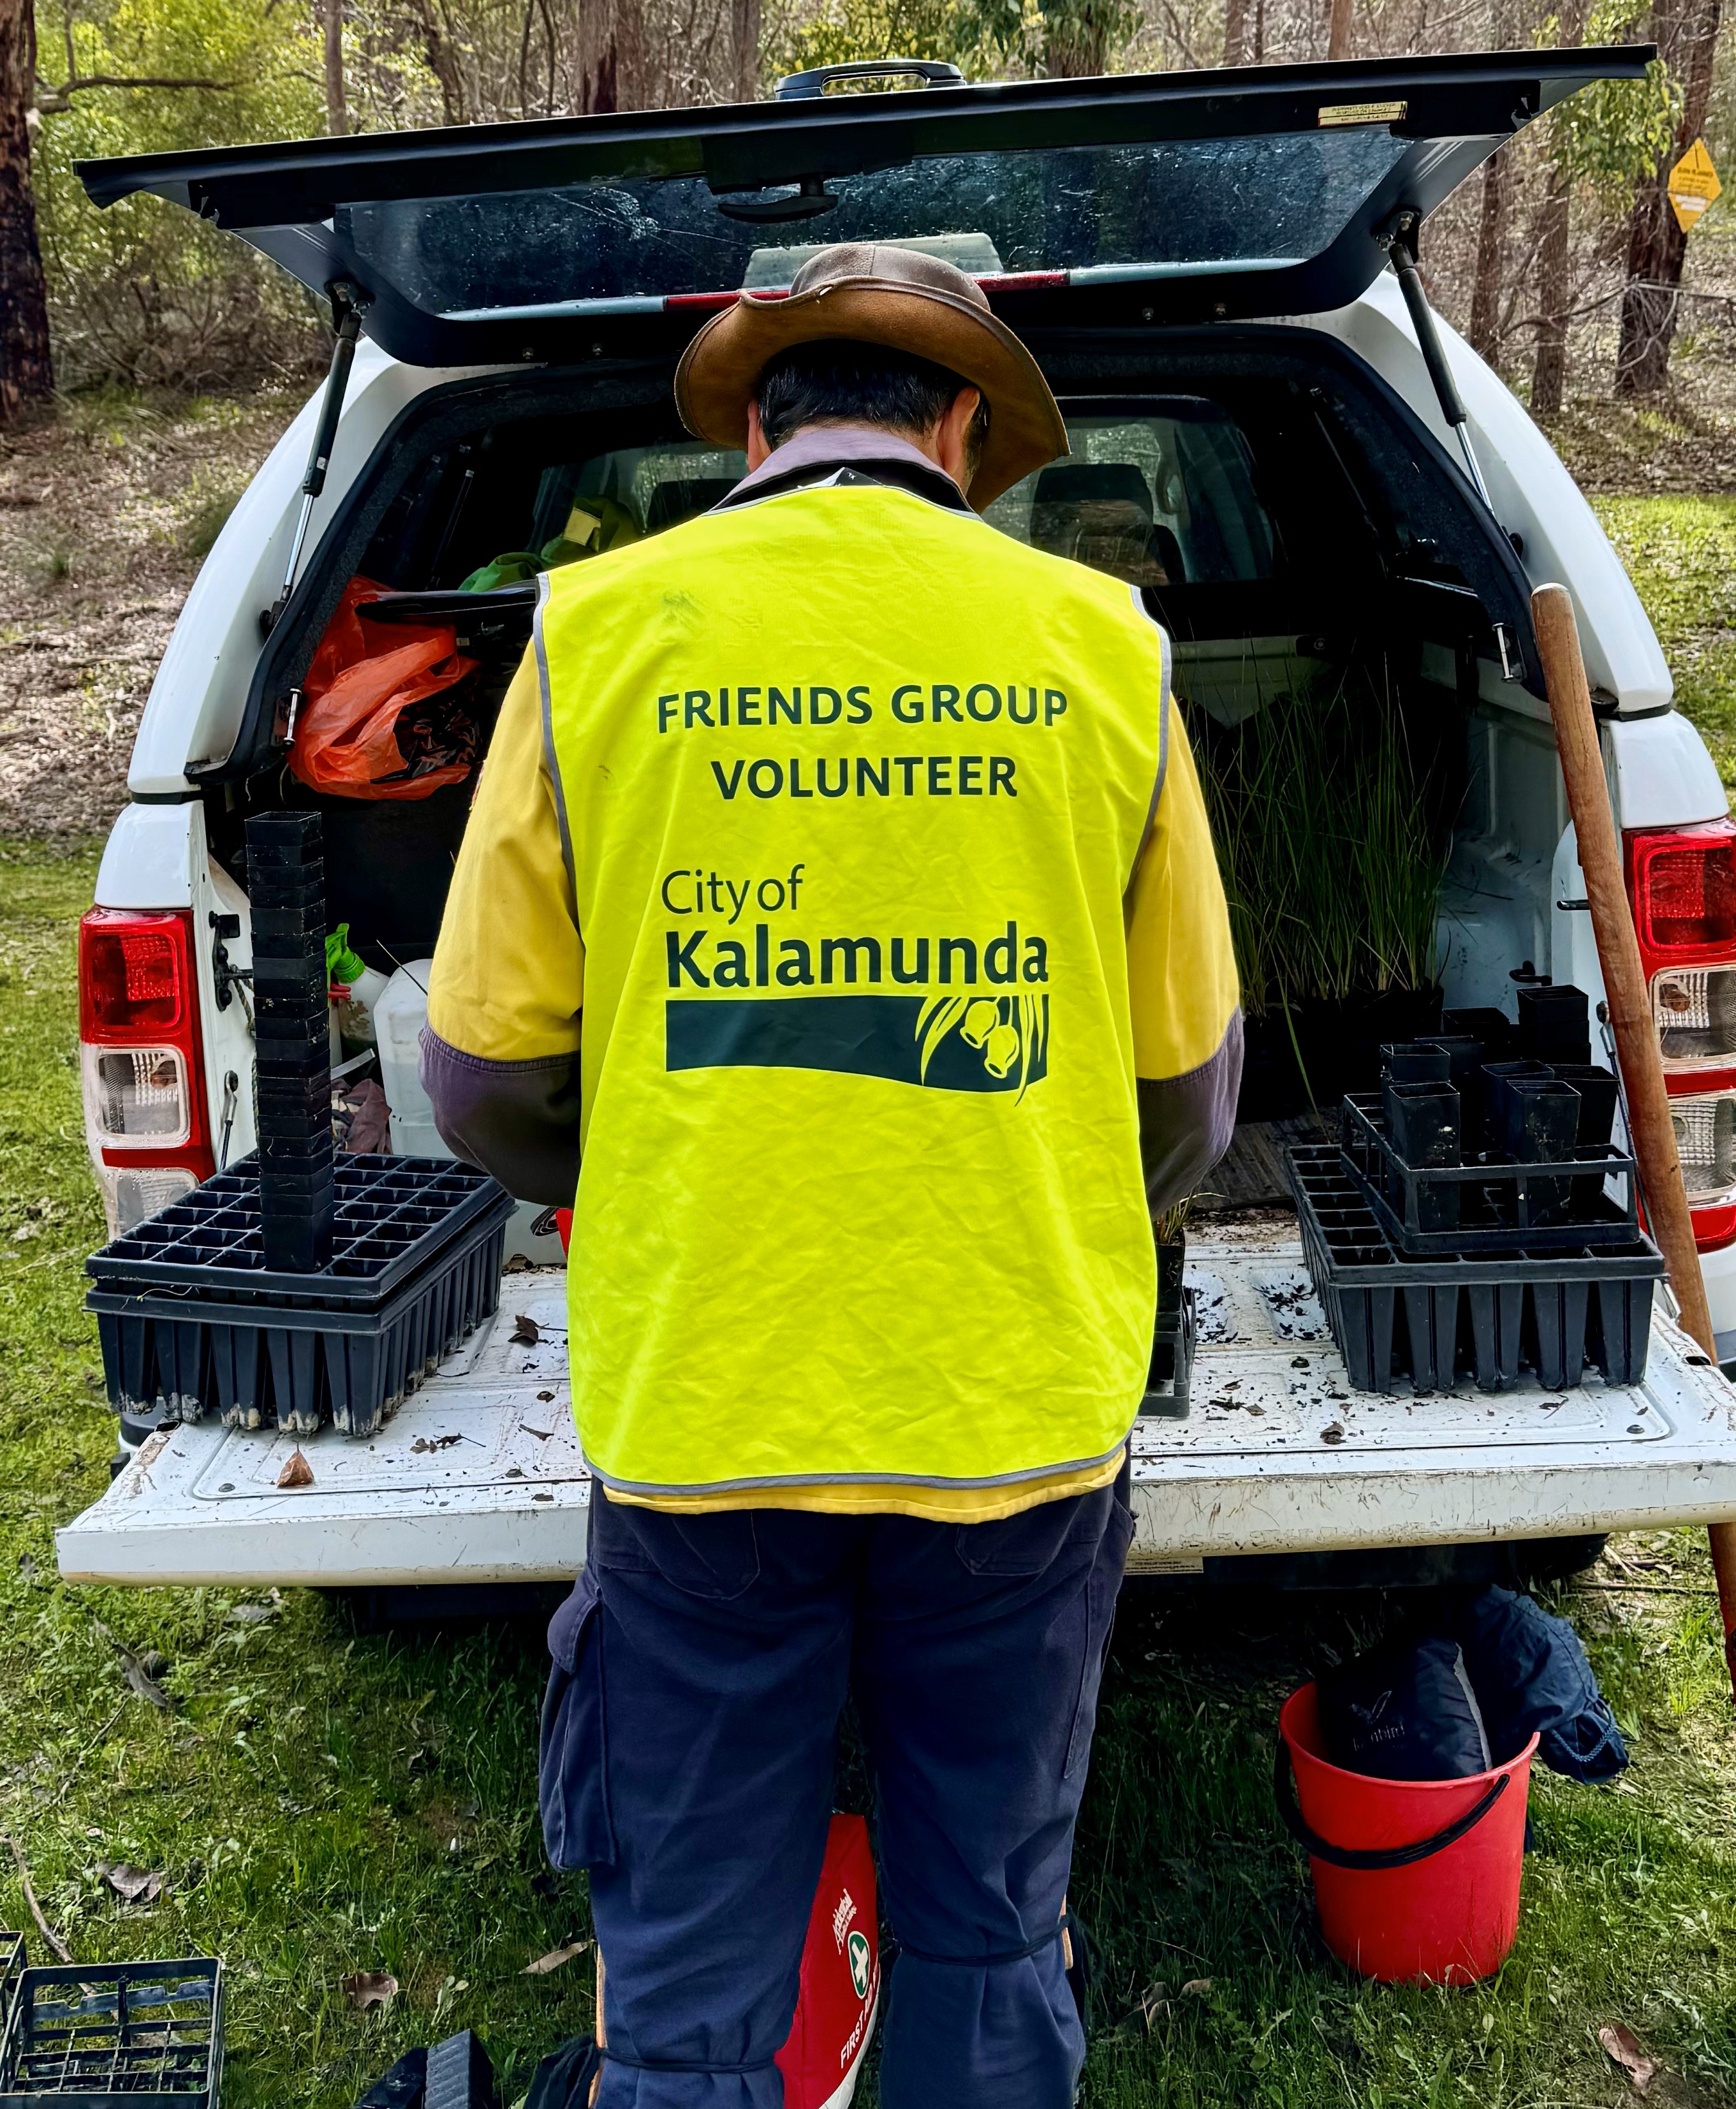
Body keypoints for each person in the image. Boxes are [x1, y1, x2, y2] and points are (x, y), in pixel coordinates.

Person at [425, 241, 1242, 2108]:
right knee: (982, 1935)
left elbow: (473, 1080)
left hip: (709, 1396)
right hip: (1015, 1409)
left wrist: (653, 1166)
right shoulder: (1103, 646)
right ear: (962, 423)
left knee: (696, 1980)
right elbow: (1192, 1098)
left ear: (758, 428)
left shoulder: (597, 630)